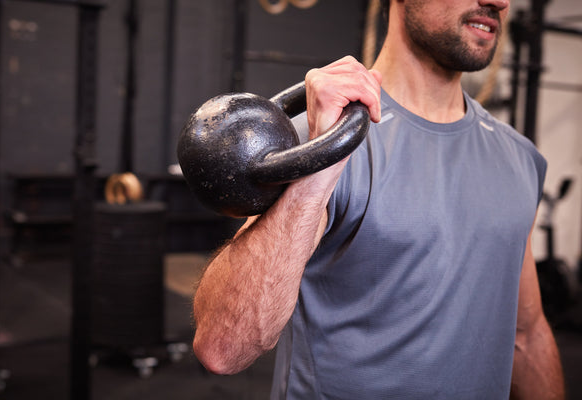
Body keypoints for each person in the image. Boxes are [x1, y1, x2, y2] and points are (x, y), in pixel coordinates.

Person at [191, 0, 565, 398]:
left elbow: (526, 336)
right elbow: (223, 347)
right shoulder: (318, 135)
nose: (499, 1)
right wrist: (321, 164)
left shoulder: (519, 158)